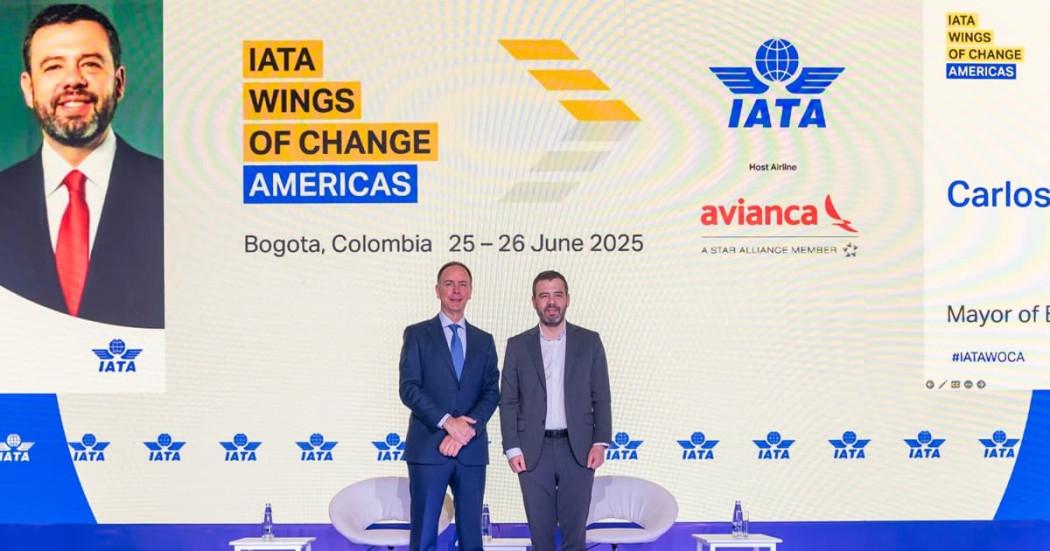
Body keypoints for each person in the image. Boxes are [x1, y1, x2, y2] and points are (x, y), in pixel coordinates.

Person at [0, 3, 163, 328]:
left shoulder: (175, 194)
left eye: (90, 64)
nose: (73, 80)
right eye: (53, 67)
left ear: (119, 82)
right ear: (28, 88)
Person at [500, 270, 612, 551]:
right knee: (541, 536)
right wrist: (512, 447)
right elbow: (509, 400)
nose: (551, 302)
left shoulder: (589, 341)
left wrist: (600, 442)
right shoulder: (517, 345)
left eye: (557, 295)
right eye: (544, 296)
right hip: (532, 451)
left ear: (567, 299)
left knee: (575, 535)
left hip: (579, 449)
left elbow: (601, 396)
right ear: (534, 302)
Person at [399, 261, 500, 551]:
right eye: (449, 284)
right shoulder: (417, 334)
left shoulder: (484, 341)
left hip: (471, 449)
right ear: (437, 290)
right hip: (428, 448)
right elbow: (409, 388)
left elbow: (492, 392)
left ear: (470, 291)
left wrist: (466, 430)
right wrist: (448, 423)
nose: (456, 291)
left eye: (462, 284)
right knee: (424, 536)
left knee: (472, 537)